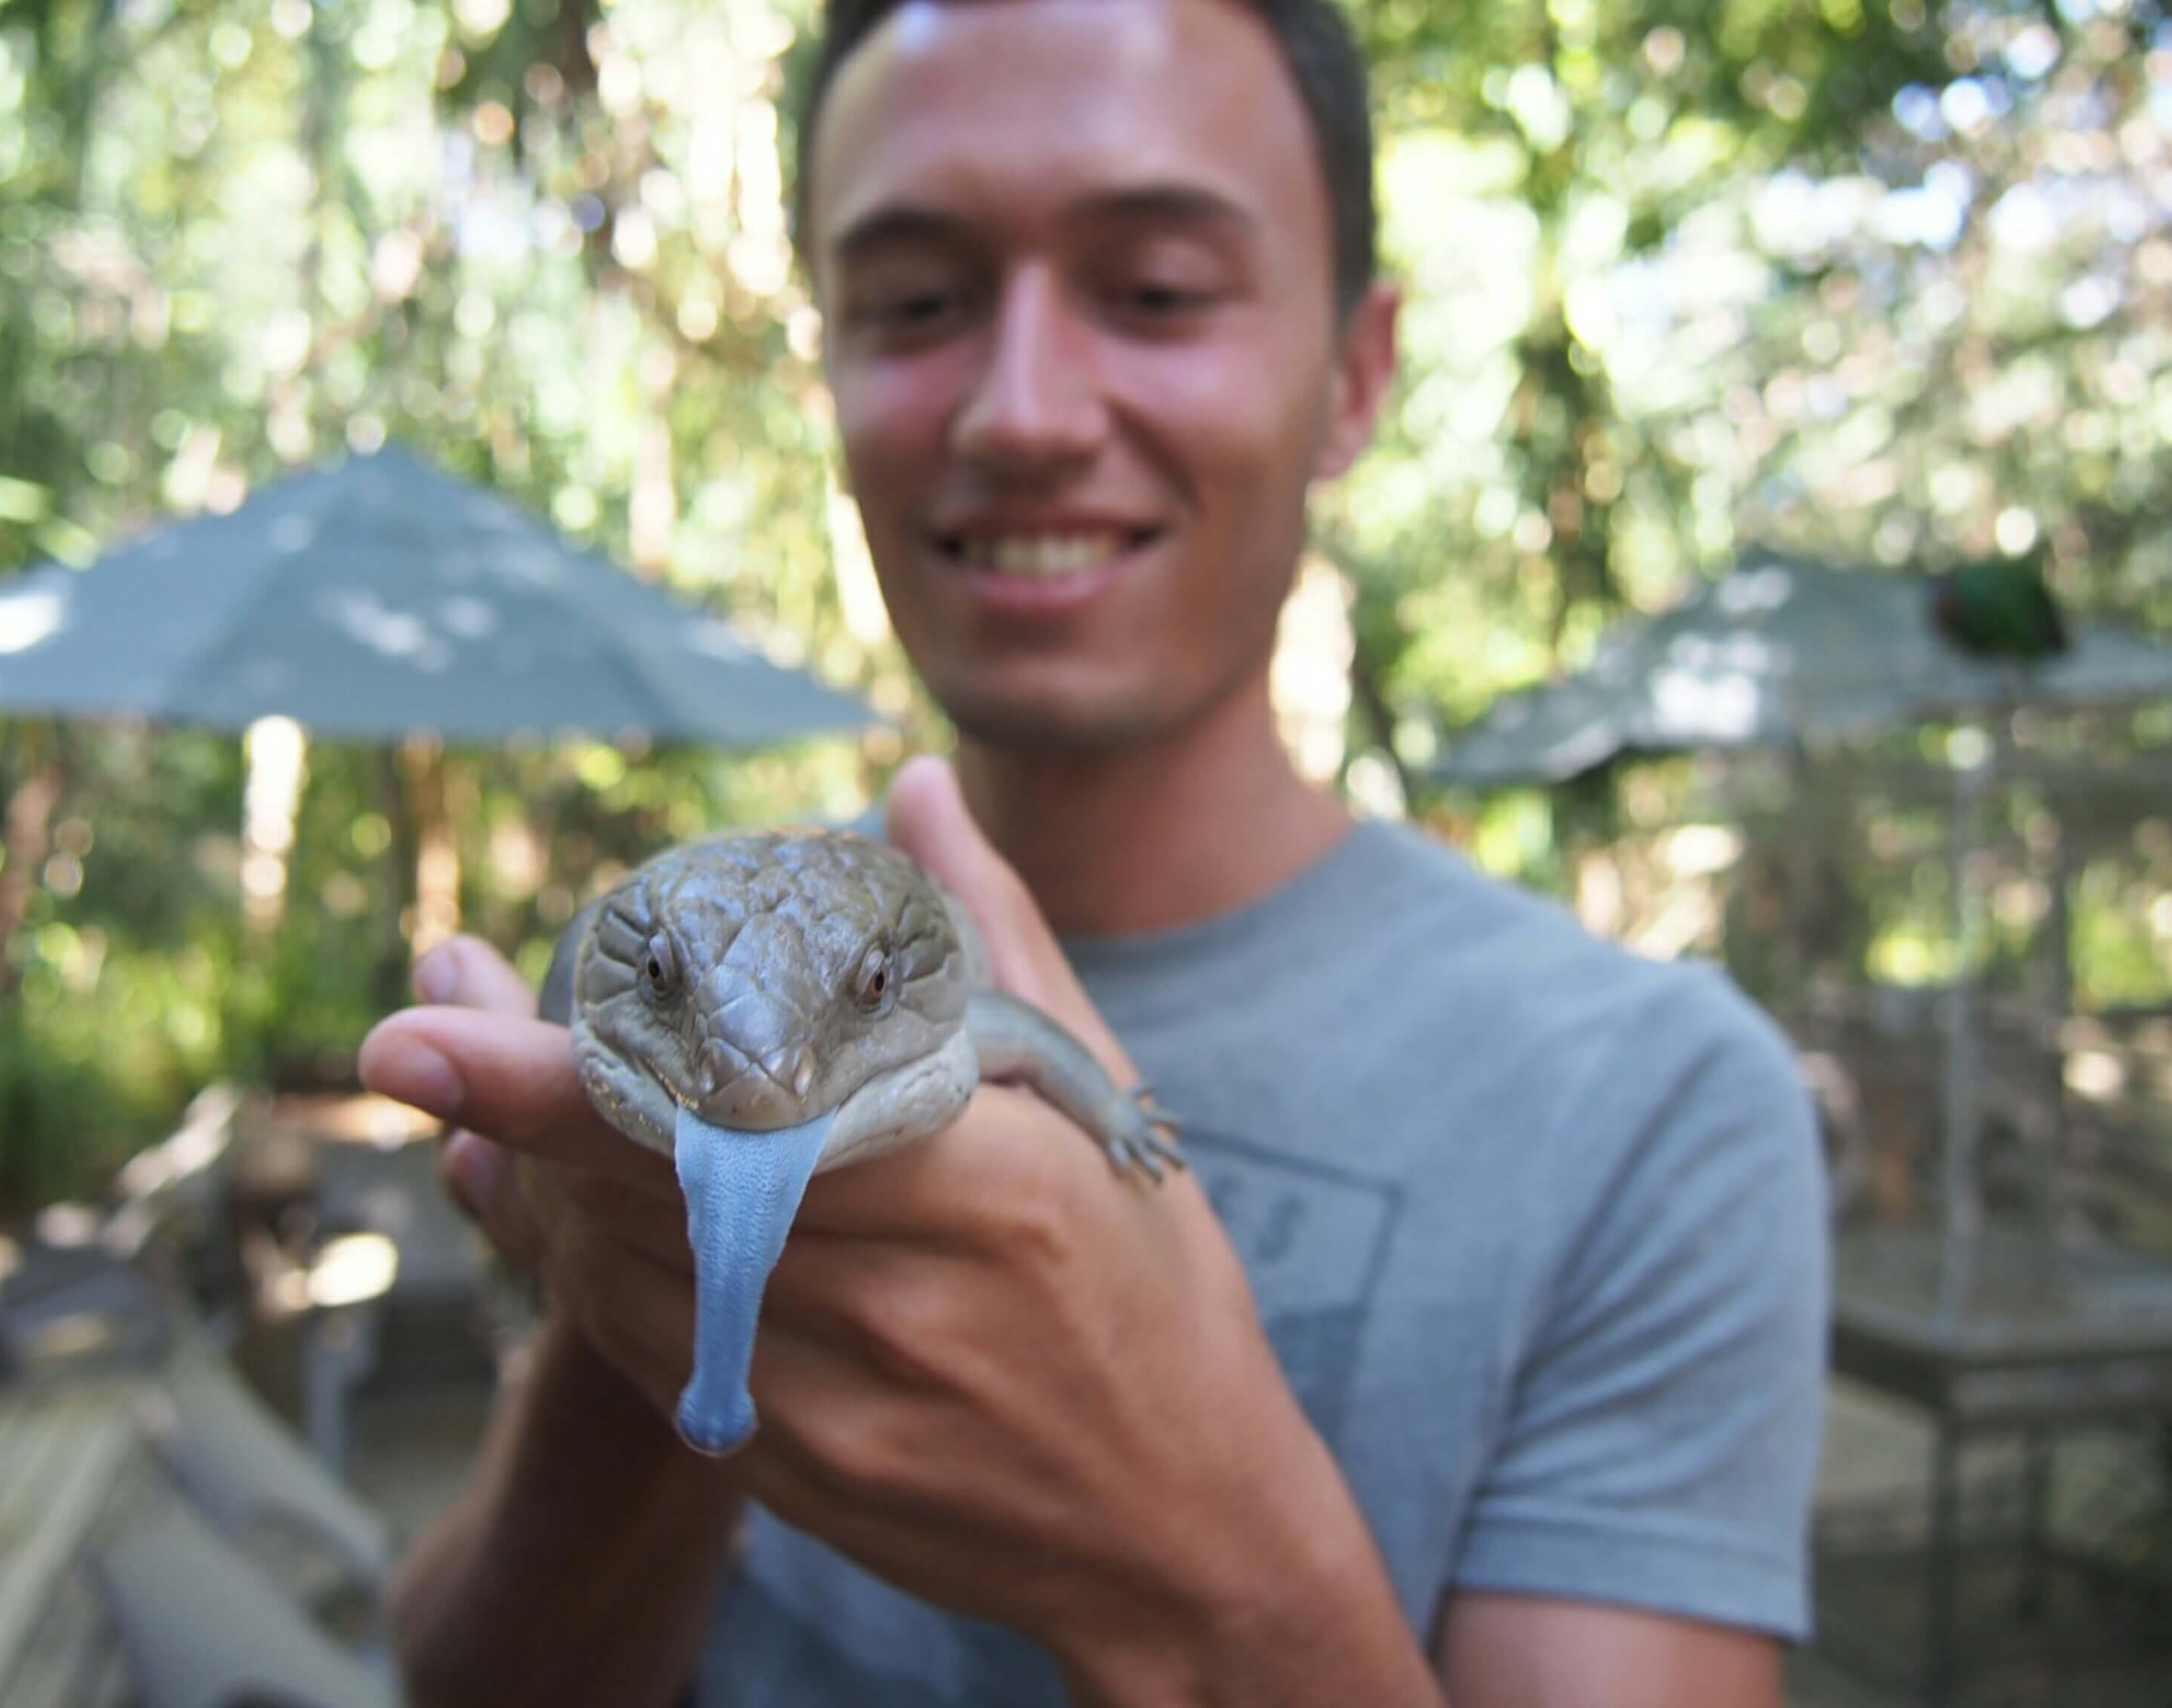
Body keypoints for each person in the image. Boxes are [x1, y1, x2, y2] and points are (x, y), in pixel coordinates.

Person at [356, 0, 1831, 1700]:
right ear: (825, 362)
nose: (1025, 412)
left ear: (1352, 377)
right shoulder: (685, 954)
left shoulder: (1659, 1111)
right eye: (912, 302)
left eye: (1154, 291)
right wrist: (628, 1300)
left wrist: (1210, 1565)